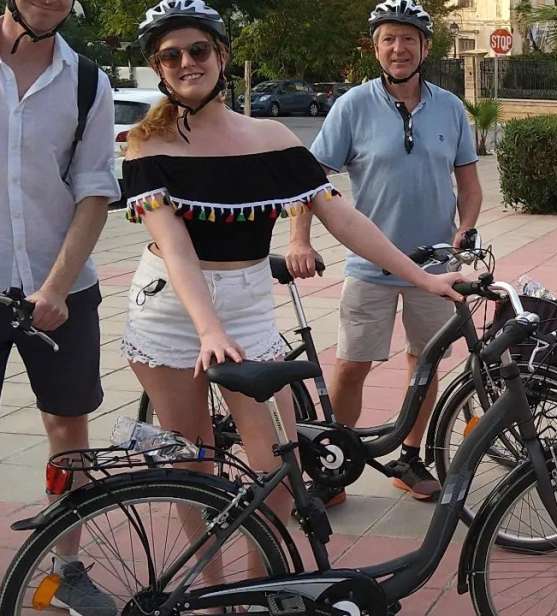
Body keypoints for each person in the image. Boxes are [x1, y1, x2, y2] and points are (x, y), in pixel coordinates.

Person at [121, 0, 467, 534]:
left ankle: (263, 585)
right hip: (170, 307)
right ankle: (212, 593)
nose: (187, 62)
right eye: (170, 56)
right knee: (193, 462)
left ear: (221, 56)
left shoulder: (273, 140)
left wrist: (424, 277)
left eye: (198, 49)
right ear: (159, 67)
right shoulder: (148, 143)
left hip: (248, 305)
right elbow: (175, 246)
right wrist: (208, 328)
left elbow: (344, 218)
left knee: (278, 470)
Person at [286, 0, 481, 505]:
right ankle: (334, 463)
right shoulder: (353, 105)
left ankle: (409, 457)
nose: (399, 48)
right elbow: (310, 180)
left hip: (435, 267)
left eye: (409, 38)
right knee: (352, 364)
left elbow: (470, 184)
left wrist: (467, 228)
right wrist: (299, 239)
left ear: (425, 48)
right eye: (389, 39)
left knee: (426, 364)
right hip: (369, 265)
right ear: (376, 48)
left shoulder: (451, 108)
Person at [0, 0, 120, 613]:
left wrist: (55, 284)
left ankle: (66, 569)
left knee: (68, 428)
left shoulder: (87, 81)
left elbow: (96, 187)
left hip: (62, 286)